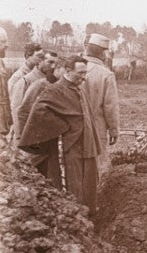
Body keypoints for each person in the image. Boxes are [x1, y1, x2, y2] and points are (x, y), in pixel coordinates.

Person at [17, 56, 95, 196]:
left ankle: (89, 209)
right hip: (70, 147)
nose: (84, 77)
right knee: (73, 185)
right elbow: (39, 112)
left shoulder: (79, 89)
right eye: (80, 73)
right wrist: (63, 127)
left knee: (88, 183)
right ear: (68, 70)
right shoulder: (54, 90)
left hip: (86, 144)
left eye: (85, 73)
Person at [77, 33, 121, 216]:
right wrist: (114, 129)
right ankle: (93, 205)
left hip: (74, 127)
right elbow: (110, 105)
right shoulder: (105, 74)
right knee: (96, 165)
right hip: (97, 126)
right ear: (103, 53)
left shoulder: (72, 69)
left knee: (76, 166)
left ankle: (77, 203)